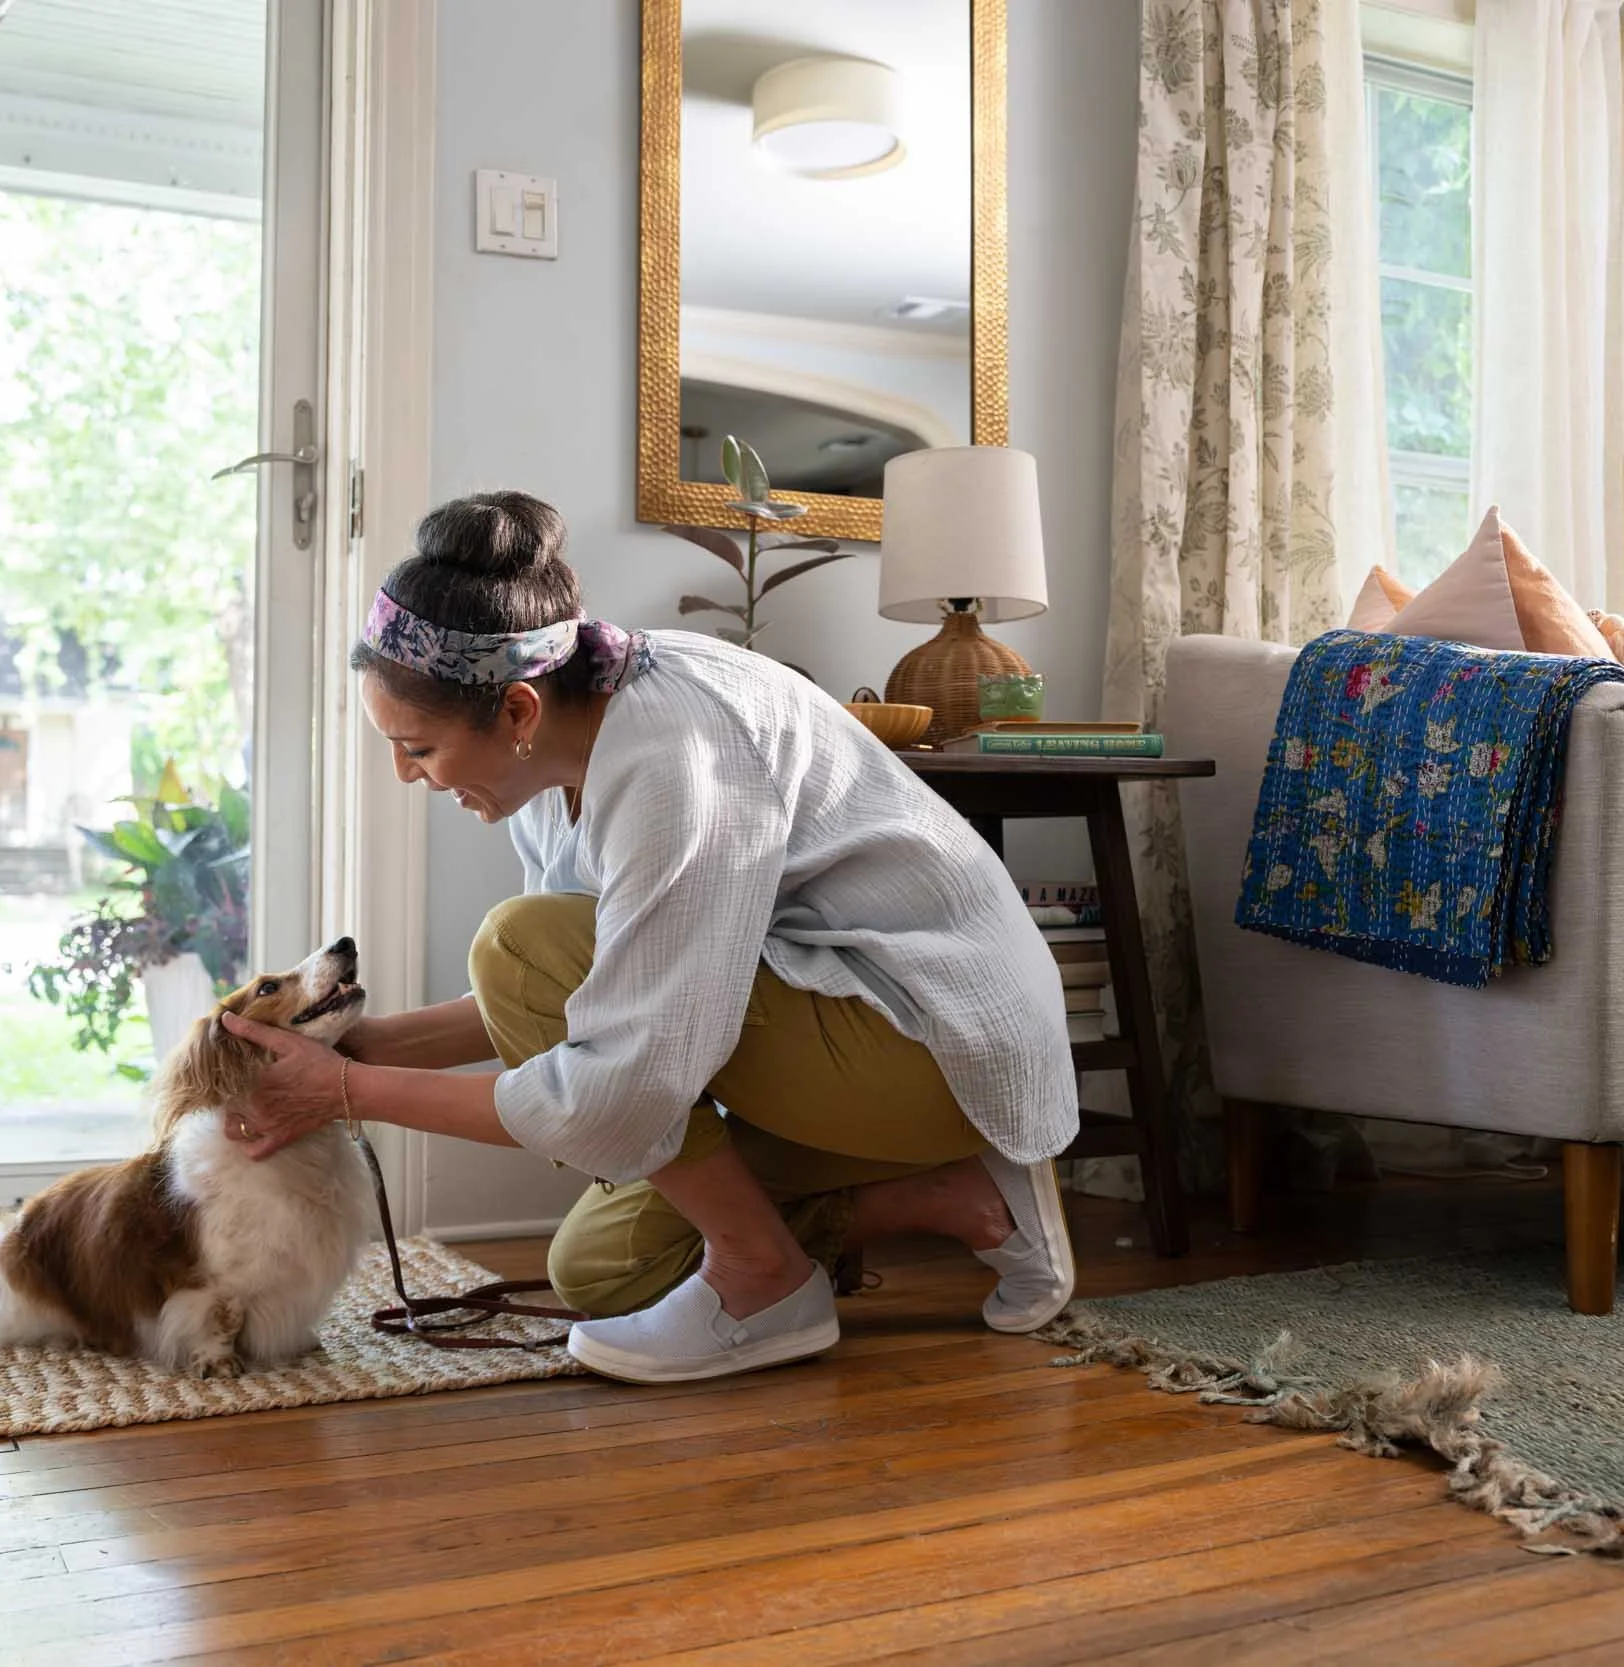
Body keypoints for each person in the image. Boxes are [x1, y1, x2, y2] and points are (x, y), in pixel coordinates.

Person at [220, 491, 1081, 1384]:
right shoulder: (554, 756)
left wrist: (352, 1089)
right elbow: (602, 985)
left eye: (420, 747)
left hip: (935, 1041)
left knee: (517, 943)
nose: (406, 773)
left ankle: (768, 1278)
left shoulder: (679, 754)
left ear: (516, 711)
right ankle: (965, 1199)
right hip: (833, 1027)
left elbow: (618, 1072)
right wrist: (355, 1045)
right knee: (601, 1267)